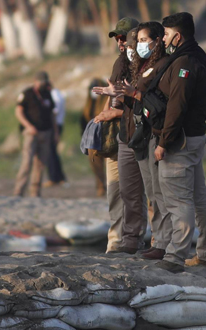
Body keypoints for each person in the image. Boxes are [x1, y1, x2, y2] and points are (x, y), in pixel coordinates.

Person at [144, 12, 206, 272]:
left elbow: (177, 105)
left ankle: (175, 256)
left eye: (165, 34)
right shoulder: (198, 55)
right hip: (195, 137)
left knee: (178, 199)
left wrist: (164, 141)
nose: (163, 39)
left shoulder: (184, 61)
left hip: (181, 140)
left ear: (177, 35)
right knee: (199, 198)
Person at [97, 21, 172, 258]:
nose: (126, 46)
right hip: (127, 135)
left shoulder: (160, 66)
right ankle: (131, 239)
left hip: (147, 135)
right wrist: (118, 97)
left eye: (133, 41)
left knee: (154, 193)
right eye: (128, 41)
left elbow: (156, 105)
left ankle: (160, 242)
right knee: (128, 192)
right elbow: (131, 102)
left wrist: (128, 97)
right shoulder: (129, 65)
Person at [95, 17, 138, 252]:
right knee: (115, 191)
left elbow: (138, 104)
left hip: (136, 136)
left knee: (136, 194)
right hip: (117, 138)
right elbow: (112, 99)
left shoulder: (143, 65)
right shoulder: (120, 63)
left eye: (125, 38)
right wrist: (103, 122)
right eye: (118, 38)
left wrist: (113, 114)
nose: (120, 42)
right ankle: (115, 242)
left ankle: (139, 241)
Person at [13, 71, 56, 197]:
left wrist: (55, 132)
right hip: (31, 133)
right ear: (36, 81)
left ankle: (35, 193)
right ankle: (19, 191)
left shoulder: (47, 94)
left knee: (41, 164)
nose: (43, 84)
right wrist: (28, 126)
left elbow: (52, 114)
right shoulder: (27, 94)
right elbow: (18, 112)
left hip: (46, 132)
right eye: (41, 81)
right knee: (27, 162)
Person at [81, 78, 108, 197]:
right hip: (92, 140)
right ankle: (100, 186)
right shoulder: (88, 106)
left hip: (106, 138)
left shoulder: (106, 103)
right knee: (95, 165)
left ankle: (109, 187)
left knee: (109, 165)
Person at [44, 83, 67, 187]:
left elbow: (54, 112)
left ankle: (54, 178)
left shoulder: (54, 96)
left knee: (50, 152)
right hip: (57, 125)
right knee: (52, 152)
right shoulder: (57, 94)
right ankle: (59, 177)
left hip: (55, 126)